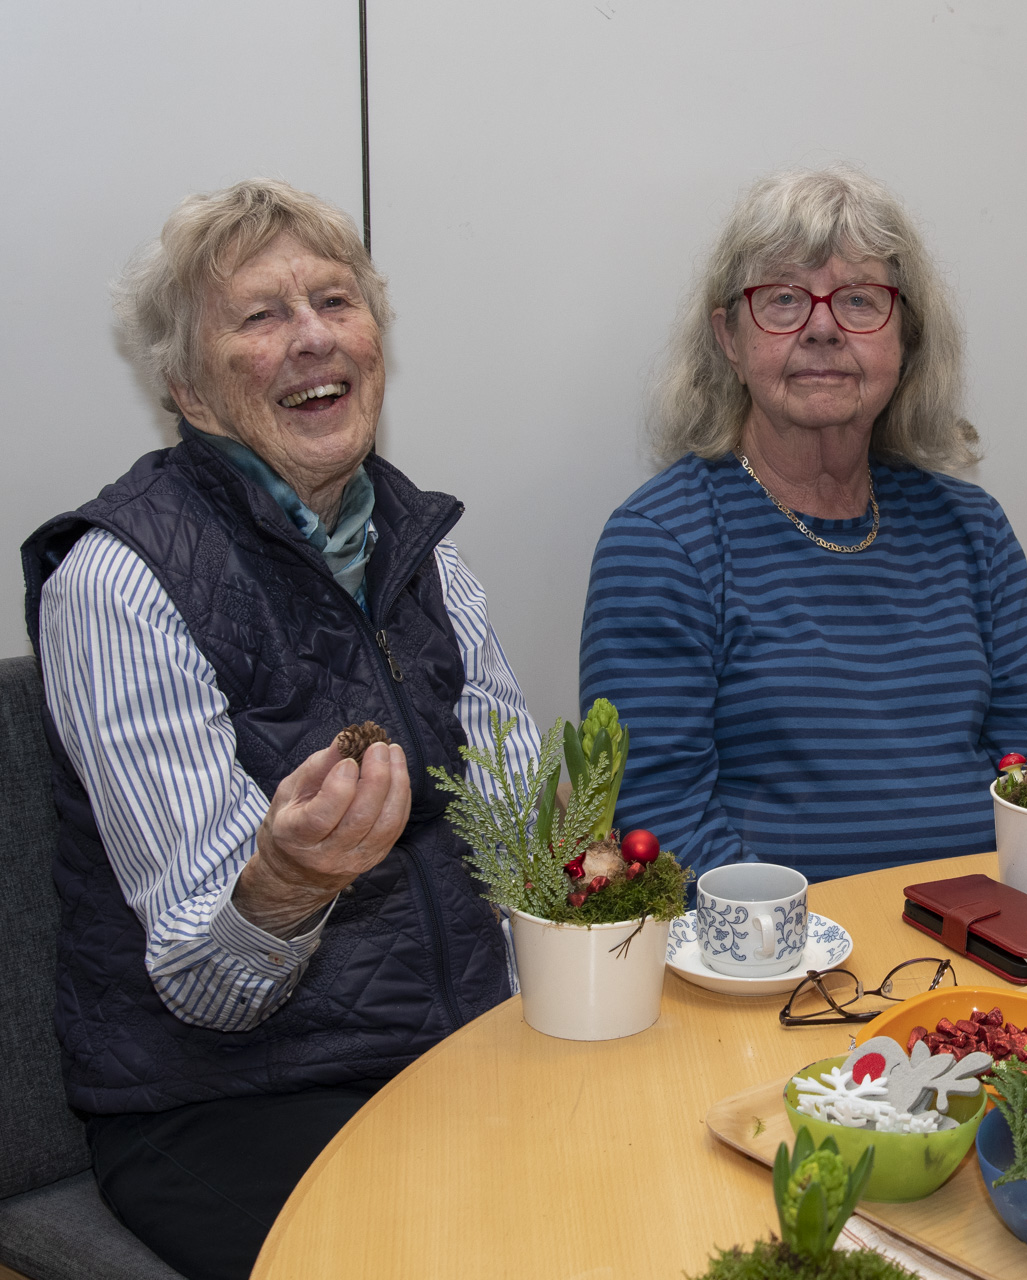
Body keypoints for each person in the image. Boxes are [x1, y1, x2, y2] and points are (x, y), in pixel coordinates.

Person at [21, 179, 542, 1280]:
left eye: (337, 301)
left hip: (454, 1061)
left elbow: (527, 844)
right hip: (223, 1101)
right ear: (185, 385)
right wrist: (290, 882)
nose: (314, 336)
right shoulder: (121, 579)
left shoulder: (425, 554)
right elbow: (207, 986)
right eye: (261, 316)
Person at [579, 167, 1027, 880]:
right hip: (783, 974)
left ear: (905, 340)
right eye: (782, 300)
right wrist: (822, 950)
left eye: (860, 301)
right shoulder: (663, 545)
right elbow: (663, 826)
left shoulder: (973, 530)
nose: (822, 328)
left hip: (981, 946)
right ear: (730, 339)